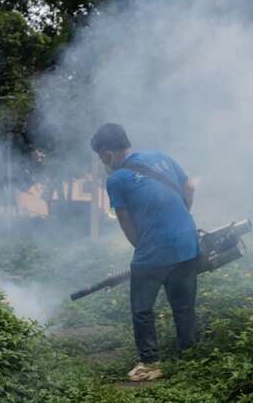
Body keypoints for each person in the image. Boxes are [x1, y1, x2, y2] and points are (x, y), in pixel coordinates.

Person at [91, 123, 200, 382]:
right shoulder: (161, 156)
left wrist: (142, 249)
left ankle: (150, 363)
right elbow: (191, 187)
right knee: (183, 305)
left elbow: (125, 221)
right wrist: (181, 219)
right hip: (187, 242)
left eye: (100, 157)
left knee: (142, 309)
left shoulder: (116, 179)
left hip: (153, 250)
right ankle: (190, 357)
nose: (102, 162)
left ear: (107, 154)